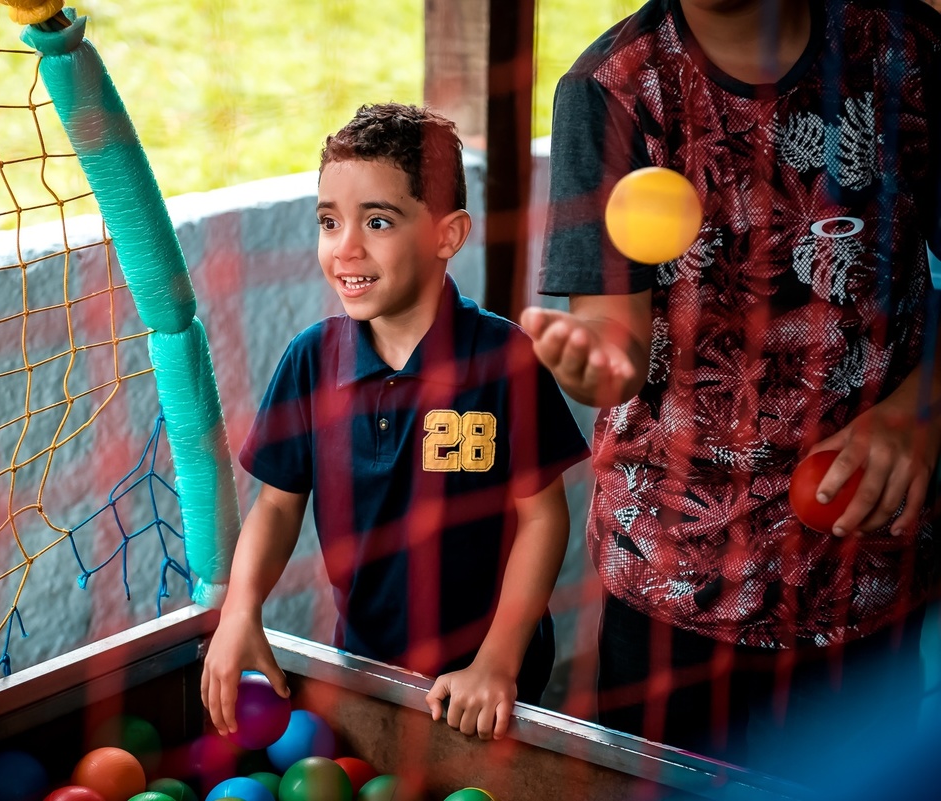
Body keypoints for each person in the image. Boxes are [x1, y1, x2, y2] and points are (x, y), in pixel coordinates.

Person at [525, 0, 941, 782]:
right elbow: (615, 341)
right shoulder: (608, 87)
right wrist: (591, 364)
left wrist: (924, 410)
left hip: (867, 563)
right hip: (670, 584)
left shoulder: (906, 50)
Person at [201, 103, 589, 742]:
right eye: (329, 222)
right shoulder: (310, 360)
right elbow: (275, 507)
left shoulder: (503, 361)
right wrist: (241, 610)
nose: (345, 247)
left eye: (377, 221)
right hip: (365, 667)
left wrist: (497, 662)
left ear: (447, 235)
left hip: (490, 680)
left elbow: (543, 517)